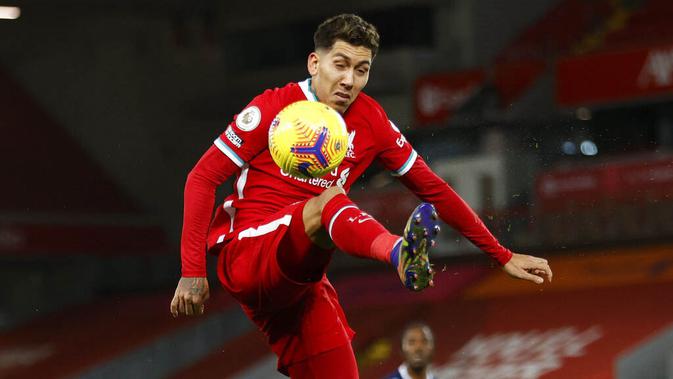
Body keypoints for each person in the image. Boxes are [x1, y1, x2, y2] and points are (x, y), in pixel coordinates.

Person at [170, 13, 552, 378]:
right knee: (331, 200)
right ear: (314, 63)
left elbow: (433, 188)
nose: (349, 80)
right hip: (249, 252)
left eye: (361, 69)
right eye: (340, 64)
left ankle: (398, 252)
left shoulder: (371, 121)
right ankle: (399, 252)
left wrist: (500, 254)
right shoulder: (272, 107)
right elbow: (201, 178)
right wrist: (192, 271)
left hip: (302, 278)